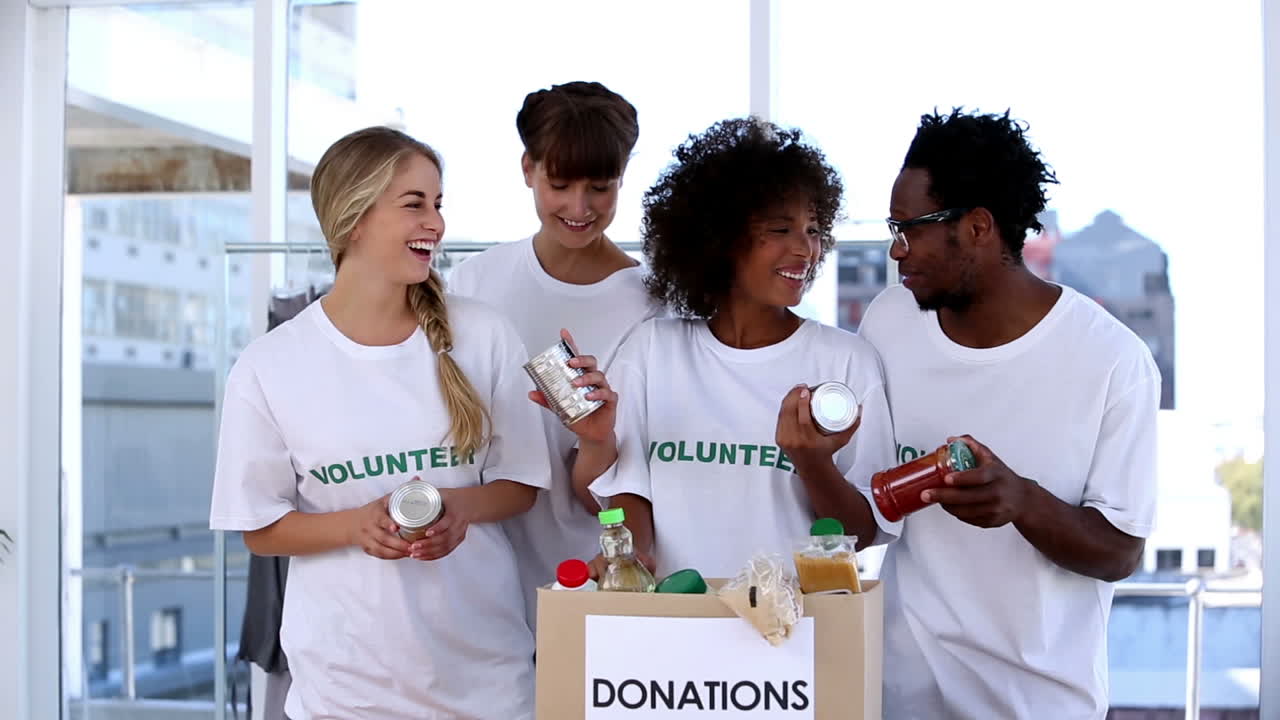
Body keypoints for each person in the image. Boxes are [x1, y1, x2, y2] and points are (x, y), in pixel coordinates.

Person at [209, 126, 549, 719]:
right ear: (353, 218)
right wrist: (355, 527)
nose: (436, 223)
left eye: (438, 204)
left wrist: (460, 509)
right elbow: (259, 528)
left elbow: (521, 485)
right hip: (344, 692)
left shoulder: (485, 334)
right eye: (414, 204)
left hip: (488, 685)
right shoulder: (270, 365)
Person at [859, 109, 1159, 719]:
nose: (897, 251)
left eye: (909, 229)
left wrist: (1021, 502)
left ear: (977, 227)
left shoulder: (1112, 360)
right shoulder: (887, 322)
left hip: (1042, 702)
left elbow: (1121, 552)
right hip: (900, 693)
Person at [576, 116, 899, 579]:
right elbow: (626, 489)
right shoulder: (653, 350)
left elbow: (861, 532)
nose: (805, 249)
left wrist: (813, 463)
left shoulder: (846, 362)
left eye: (812, 229)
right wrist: (637, 554)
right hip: (672, 625)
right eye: (781, 229)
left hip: (794, 634)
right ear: (721, 237)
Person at [448, 81, 657, 623]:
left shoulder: (653, 305)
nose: (579, 208)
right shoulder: (475, 282)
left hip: (598, 575)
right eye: (559, 183)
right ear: (527, 169)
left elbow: (644, 479)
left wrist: (595, 436)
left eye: (600, 187)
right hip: (478, 568)